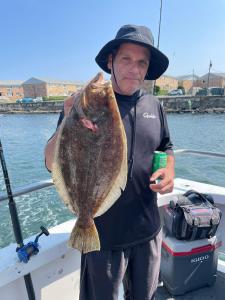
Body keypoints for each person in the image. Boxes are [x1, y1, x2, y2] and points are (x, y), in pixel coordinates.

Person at [45, 24, 175, 300]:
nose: (134, 69)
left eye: (142, 62)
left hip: (148, 230)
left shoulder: (156, 106)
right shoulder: (86, 103)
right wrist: (68, 119)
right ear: (110, 61)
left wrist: (169, 169)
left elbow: (166, 147)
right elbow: (50, 162)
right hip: (101, 235)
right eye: (126, 59)